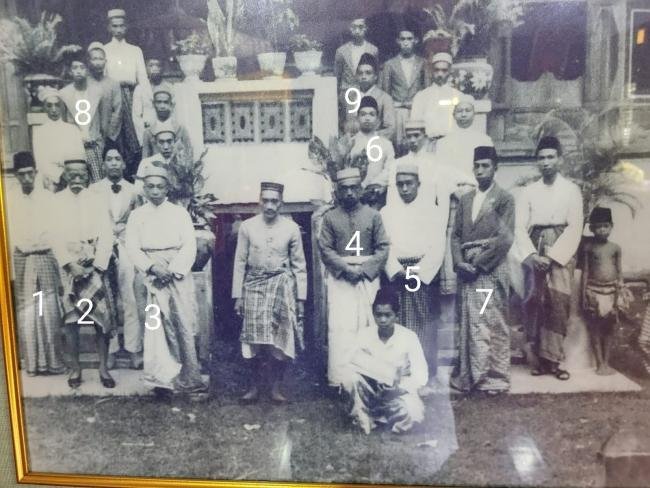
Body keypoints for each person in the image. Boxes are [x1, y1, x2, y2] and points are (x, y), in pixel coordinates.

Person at [125, 164, 207, 395]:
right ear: (144, 189)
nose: (155, 191)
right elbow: (132, 246)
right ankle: (161, 381)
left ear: (167, 188)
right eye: (150, 186)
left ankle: (187, 378)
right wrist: (152, 267)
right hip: (150, 275)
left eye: (160, 187)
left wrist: (172, 270)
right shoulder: (137, 216)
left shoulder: (179, 213)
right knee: (155, 326)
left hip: (176, 275)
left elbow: (189, 245)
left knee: (181, 322)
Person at [232, 182, 308, 404]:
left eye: (274, 201)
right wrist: (238, 296)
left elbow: (299, 265)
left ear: (281, 203)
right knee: (252, 339)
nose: (269, 206)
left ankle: (275, 388)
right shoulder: (247, 227)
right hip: (253, 284)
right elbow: (240, 262)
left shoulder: (291, 228)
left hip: (281, 285)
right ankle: (254, 387)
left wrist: (300, 299)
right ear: (259, 201)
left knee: (280, 339)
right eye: (265, 200)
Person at [515, 136, 583, 381]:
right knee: (535, 302)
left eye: (550, 157)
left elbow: (575, 226)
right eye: (541, 158)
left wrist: (553, 257)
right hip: (535, 246)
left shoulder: (571, 190)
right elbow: (518, 226)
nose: (545, 162)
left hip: (561, 250)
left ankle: (554, 361)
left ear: (559, 159)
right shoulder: (529, 191)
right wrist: (533, 255)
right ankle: (537, 360)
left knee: (558, 304)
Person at [450, 146, 515, 394]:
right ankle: (468, 375)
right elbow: (456, 235)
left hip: (489, 270)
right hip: (466, 271)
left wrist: (477, 265)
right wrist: (460, 263)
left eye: (485, 166)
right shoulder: (465, 200)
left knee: (490, 319)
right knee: (469, 321)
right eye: (476, 166)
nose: (480, 170)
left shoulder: (504, 198)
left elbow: (505, 238)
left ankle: (493, 378)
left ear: (495, 168)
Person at [318, 167, 390, 387]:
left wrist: (365, 269)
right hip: (341, 280)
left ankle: (371, 378)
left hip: (368, 280)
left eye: (353, 188)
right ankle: (342, 380)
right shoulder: (330, 218)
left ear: (360, 189)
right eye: (344, 189)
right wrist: (346, 269)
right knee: (342, 328)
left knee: (369, 325)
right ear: (338, 191)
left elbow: (383, 247)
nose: (349, 193)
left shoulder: (373, 216)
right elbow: (325, 248)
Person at [51, 159, 117, 389]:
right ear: (65, 176)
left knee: (101, 319)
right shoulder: (57, 201)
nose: (77, 178)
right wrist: (70, 264)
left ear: (88, 176)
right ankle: (75, 368)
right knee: (71, 319)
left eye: (81, 174)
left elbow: (107, 234)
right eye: (72, 174)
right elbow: (54, 236)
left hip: (93, 264)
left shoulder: (97, 199)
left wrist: (98, 263)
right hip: (69, 267)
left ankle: (103, 368)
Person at [380, 162, 448, 381]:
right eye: (400, 184)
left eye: (409, 183)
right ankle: (398, 373)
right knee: (396, 322)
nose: (405, 189)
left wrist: (418, 272)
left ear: (418, 184)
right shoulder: (386, 212)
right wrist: (396, 270)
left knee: (424, 323)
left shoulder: (432, 211)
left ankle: (424, 373)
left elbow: (438, 246)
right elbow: (383, 245)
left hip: (422, 275)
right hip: (396, 275)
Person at [8, 152, 65, 376]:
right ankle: (33, 363)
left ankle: (53, 362)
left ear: (36, 173)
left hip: (45, 256)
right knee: (28, 311)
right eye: (21, 174)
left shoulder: (48, 199)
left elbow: (55, 231)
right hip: (22, 258)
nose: (26, 178)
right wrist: (26, 247)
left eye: (30, 173)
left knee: (48, 309)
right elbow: (12, 232)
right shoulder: (10, 200)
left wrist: (41, 246)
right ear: (16, 175)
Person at [342, 287, 428, 434]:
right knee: (350, 378)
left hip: (398, 391)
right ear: (373, 315)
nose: (382, 320)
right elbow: (349, 363)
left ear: (396, 315)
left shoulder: (409, 337)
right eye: (378, 315)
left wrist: (398, 389)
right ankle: (364, 419)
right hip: (370, 392)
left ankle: (389, 418)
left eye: (388, 315)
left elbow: (421, 374)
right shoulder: (364, 334)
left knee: (414, 415)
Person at [90, 144, 143, 370]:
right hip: (103, 249)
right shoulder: (93, 191)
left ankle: (133, 349)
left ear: (123, 163)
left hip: (126, 247)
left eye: (117, 159)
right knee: (107, 301)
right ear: (103, 164)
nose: (113, 163)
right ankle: (110, 350)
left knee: (130, 298)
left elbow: (138, 221)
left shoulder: (133, 190)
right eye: (109, 159)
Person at [102, 8, 149, 178]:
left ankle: (133, 175)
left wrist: (147, 104)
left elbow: (142, 77)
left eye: (121, 26)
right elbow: (103, 78)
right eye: (115, 26)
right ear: (109, 28)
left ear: (126, 27)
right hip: (112, 97)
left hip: (132, 96)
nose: (118, 30)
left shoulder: (135, 50)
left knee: (135, 137)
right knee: (114, 136)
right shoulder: (104, 50)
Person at [580, 207, 622, 376]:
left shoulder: (615, 248)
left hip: (611, 291)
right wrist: (583, 294)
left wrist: (620, 291)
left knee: (610, 327)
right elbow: (585, 271)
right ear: (591, 228)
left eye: (606, 226)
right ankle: (599, 363)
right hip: (593, 290)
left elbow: (619, 271)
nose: (602, 230)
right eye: (598, 226)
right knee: (595, 327)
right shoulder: (589, 248)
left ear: (612, 226)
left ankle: (607, 362)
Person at [59, 49, 106, 183]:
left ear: (88, 70)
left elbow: (103, 121)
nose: (78, 71)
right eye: (75, 68)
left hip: (94, 144)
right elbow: (63, 122)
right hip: (74, 145)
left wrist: (99, 142)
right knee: (78, 181)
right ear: (70, 71)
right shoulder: (64, 94)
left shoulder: (97, 91)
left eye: (82, 67)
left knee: (97, 182)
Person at [379, 26, 428, 146]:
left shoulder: (422, 63)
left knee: (416, 144)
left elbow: (427, 89)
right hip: (397, 112)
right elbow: (385, 92)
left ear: (415, 40)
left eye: (409, 39)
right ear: (398, 41)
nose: (406, 42)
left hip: (416, 111)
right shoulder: (390, 64)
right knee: (398, 144)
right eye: (403, 39)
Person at [32, 87, 85, 192]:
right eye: (49, 105)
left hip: (73, 176)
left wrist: (69, 173)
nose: (54, 109)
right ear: (44, 108)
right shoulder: (39, 132)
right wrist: (59, 176)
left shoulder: (73, 130)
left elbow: (80, 156)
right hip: (50, 179)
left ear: (61, 107)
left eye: (57, 105)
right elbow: (41, 162)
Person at [436, 95, 494, 183]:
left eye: (468, 111)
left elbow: (488, 169)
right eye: (459, 111)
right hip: (451, 186)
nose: (463, 115)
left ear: (474, 114)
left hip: (476, 185)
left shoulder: (484, 140)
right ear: (453, 115)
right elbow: (442, 171)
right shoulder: (443, 143)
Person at [410, 52, 463, 147]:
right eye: (436, 70)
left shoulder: (459, 96)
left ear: (450, 71)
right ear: (431, 71)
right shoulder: (421, 96)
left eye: (444, 70)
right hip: (428, 145)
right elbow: (415, 125)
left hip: (452, 144)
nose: (440, 74)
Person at [346, 53, 396, 141]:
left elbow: (391, 129)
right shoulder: (352, 98)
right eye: (360, 73)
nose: (363, 77)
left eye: (368, 73)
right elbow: (348, 126)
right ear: (357, 76)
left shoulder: (385, 98)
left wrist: (370, 137)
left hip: (376, 143)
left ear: (375, 76)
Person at [86, 42, 123, 161]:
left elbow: (117, 110)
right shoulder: (84, 83)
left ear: (105, 61)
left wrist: (110, 136)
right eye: (94, 59)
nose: (98, 63)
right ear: (89, 62)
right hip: (88, 136)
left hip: (108, 137)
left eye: (100, 59)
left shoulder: (113, 84)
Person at [349, 96, 395, 189]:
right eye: (363, 114)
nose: (367, 118)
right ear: (357, 117)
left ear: (377, 118)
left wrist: (374, 185)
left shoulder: (386, 144)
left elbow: (390, 169)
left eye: (371, 114)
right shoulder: (350, 143)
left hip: (376, 192)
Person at [135, 121, 188, 196]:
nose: (166, 147)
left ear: (175, 141)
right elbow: (138, 190)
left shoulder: (183, 163)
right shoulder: (146, 163)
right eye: (161, 142)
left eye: (169, 141)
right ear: (156, 143)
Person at [141, 86, 193, 161]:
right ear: (153, 104)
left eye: (166, 102)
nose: (162, 106)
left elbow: (189, 156)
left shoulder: (181, 129)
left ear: (171, 104)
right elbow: (145, 159)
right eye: (159, 102)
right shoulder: (148, 132)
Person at [132, 58, 174, 146]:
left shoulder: (170, 87)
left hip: (166, 131)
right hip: (147, 132)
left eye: (158, 66)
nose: (155, 69)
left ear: (162, 68)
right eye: (151, 66)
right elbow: (136, 117)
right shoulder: (140, 89)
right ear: (146, 68)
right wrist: (143, 138)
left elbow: (173, 112)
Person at [334, 18, 378, 96]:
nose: (357, 31)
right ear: (350, 29)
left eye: (361, 27)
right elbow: (337, 77)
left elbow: (375, 75)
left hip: (367, 93)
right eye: (354, 27)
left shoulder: (373, 50)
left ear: (366, 28)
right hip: (347, 94)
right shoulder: (341, 51)